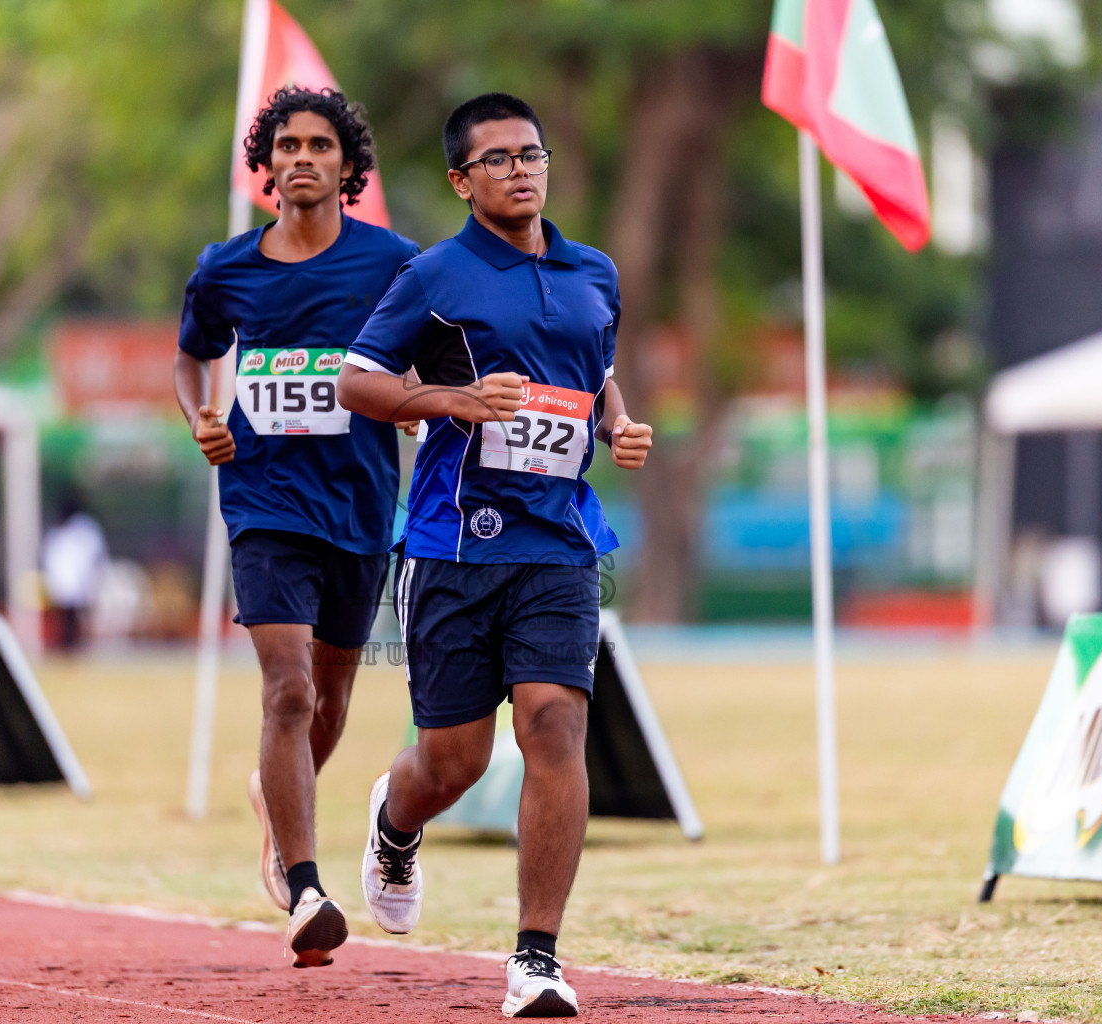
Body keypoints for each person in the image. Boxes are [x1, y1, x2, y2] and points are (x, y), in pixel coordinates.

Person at [337, 92, 653, 1017]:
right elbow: (357, 382)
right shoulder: (437, 276)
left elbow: (593, 373)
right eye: (500, 159)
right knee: (453, 763)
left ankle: (536, 957)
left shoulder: (595, 271)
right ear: (461, 180)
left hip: (558, 540)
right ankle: (396, 823)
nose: (522, 170)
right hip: (453, 543)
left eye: (533, 154)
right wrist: (452, 402)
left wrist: (620, 423)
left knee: (555, 723)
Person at [173, 86, 419, 968]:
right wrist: (202, 411)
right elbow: (193, 352)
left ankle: (276, 801)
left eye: (321, 144)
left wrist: (417, 404)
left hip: (357, 506)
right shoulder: (226, 267)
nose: (303, 157)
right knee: (288, 693)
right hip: (263, 502)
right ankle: (306, 883)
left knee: (333, 697)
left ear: (349, 168)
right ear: (266, 163)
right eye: (288, 144)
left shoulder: (394, 263)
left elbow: (429, 355)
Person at [41, 491, 109, 652]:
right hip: (65, 583)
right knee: (66, 619)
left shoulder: (83, 528)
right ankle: (68, 647)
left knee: (76, 619)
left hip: (79, 582)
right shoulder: (60, 531)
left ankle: (77, 647)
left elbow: (94, 555)